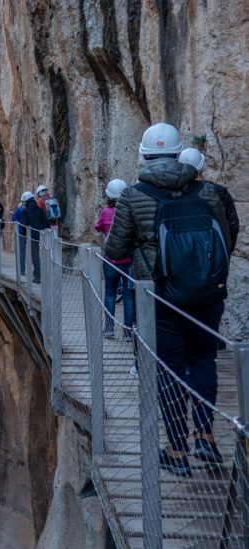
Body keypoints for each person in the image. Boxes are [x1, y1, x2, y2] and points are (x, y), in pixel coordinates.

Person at [105, 123, 232, 477]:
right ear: (179, 154)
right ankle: (205, 435)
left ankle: (177, 450)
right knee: (203, 361)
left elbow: (114, 248)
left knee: (170, 369)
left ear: (144, 156)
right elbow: (225, 237)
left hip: (159, 296)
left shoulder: (132, 195)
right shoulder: (208, 192)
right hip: (206, 295)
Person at [94, 179, 134, 339]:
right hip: (128, 259)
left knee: (110, 293)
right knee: (128, 295)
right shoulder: (130, 211)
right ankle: (128, 332)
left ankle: (109, 328)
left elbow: (97, 227)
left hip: (111, 259)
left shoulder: (106, 212)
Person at [179, 148, 240, 252]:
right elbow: (232, 224)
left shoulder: (173, 191)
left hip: (182, 251)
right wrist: (227, 251)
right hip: (215, 251)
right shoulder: (219, 191)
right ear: (203, 167)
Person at [12, 191, 47, 282]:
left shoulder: (25, 211)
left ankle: (37, 277)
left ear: (25, 201)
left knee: (35, 257)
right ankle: (45, 275)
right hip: (43, 235)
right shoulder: (40, 210)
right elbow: (46, 223)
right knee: (45, 256)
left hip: (32, 237)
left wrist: (23, 234)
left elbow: (24, 225)